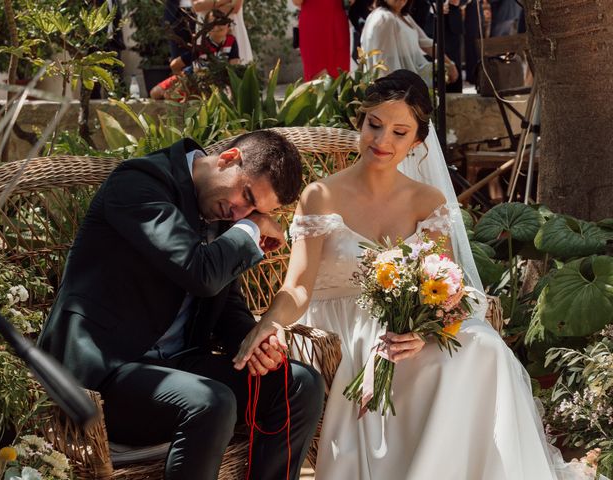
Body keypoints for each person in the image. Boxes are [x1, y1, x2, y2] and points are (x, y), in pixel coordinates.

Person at [234, 70, 604, 479]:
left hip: (410, 327)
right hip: (344, 332)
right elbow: (297, 287)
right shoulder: (321, 195)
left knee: (482, 349)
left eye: (398, 132)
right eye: (374, 125)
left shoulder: (427, 200)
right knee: (437, 367)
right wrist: (266, 324)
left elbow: (444, 285)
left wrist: (424, 332)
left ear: (417, 142)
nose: (382, 141)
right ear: (361, 120)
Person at [37, 130, 325, 480]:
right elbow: (198, 271)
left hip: (178, 367)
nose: (242, 213)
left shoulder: (224, 214)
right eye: (246, 196)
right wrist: (250, 228)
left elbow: (224, 305)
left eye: (256, 210)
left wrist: (256, 344)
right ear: (229, 158)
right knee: (210, 402)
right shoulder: (140, 183)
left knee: (299, 384)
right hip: (104, 373)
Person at [361, 0, 458, 87]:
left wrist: (449, 64)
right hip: (396, 86)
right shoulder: (384, 18)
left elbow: (426, 43)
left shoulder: (404, 16)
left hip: (409, 79)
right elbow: (382, 65)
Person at [150, 10, 240, 100]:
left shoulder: (231, 42)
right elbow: (175, 64)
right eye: (213, 24)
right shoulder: (202, 46)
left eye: (222, 22)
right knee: (156, 93)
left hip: (216, 82)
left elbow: (233, 66)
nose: (219, 26)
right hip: (193, 76)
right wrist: (184, 81)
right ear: (207, 29)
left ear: (228, 25)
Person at [293, 0, 351, 81]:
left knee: (339, 75)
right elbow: (297, 1)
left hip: (335, 25)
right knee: (317, 75)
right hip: (314, 26)